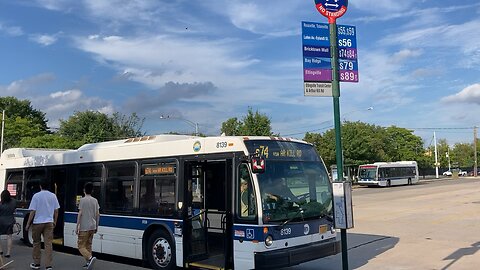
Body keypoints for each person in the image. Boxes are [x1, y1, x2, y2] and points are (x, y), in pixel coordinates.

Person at [25, 179, 60, 270]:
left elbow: (33, 211)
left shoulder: (36, 196)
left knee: (36, 243)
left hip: (37, 223)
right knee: (48, 244)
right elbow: (56, 211)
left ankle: (37, 264)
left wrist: (28, 224)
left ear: (40, 186)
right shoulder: (53, 196)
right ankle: (48, 265)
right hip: (49, 223)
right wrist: (55, 221)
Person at [76, 182, 99, 270]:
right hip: (92, 226)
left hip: (84, 227)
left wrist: (77, 226)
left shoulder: (82, 200)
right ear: (92, 190)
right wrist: (97, 226)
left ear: (84, 190)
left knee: (81, 246)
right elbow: (98, 214)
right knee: (88, 245)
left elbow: (80, 213)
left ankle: (90, 258)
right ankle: (88, 264)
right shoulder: (95, 200)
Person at [0, 190, 16, 258]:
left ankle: (0, 250)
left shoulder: (1, 204)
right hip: (10, 221)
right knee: (9, 237)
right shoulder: (13, 202)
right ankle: (8, 253)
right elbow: (15, 208)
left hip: (1, 221)